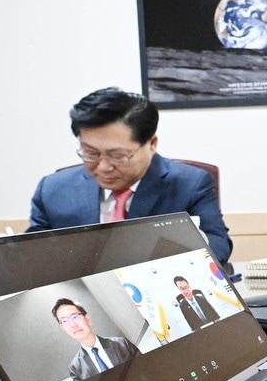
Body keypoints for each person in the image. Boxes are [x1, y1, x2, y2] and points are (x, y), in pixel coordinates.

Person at [27, 87, 233, 269]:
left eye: (118, 155)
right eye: (90, 153)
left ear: (151, 144)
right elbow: (33, 253)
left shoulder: (189, 184)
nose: (104, 167)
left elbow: (219, 244)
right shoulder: (53, 189)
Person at [53, 298, 139, 381]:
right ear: (63, 329)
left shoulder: (121, 344)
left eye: (75, 317)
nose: (72, 324)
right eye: (64, 321)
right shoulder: (75, 369)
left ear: (87, 319)